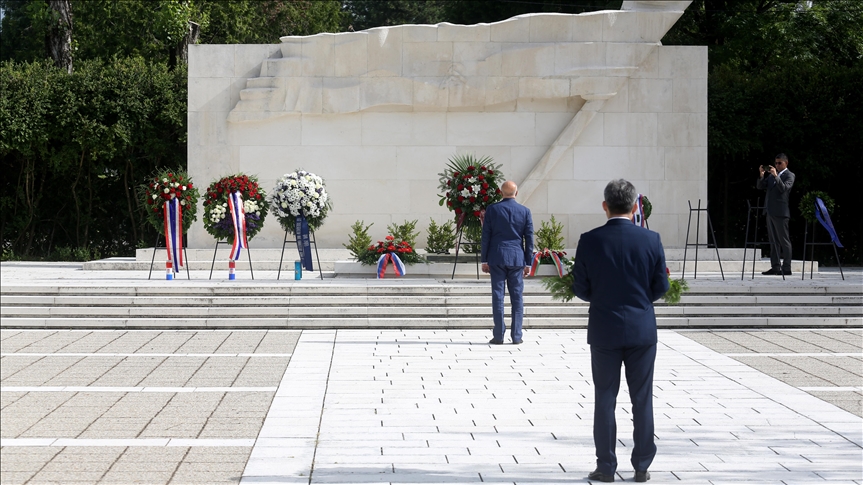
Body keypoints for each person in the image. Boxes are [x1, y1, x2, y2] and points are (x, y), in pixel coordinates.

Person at [571, 179, 669, 483]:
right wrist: (639, 303)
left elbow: (580, 287)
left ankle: (606, 466)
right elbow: (661, 286)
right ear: (634, 206)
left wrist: (603, 299)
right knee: (642, 398)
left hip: (604, 329)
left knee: (605, 397)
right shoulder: (651, 240)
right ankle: (641, 466)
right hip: (641, 329)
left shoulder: (590, 240)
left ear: (605, 206)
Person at [481, 180, 534, 345]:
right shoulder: (525, 211)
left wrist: (484, 259)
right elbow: (529, 238)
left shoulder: (493, 209)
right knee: (517, 298)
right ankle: (517, 336)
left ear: (500, 192)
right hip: (517, 258)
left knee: (498, 297)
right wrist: (528, 262)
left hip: (497, 257)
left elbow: (486, 236)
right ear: (516, 193)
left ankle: (498, 335)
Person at [756, 153, 795, 275]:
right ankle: (775, 266)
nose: (777, 165)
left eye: (780, 163)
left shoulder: (789, 175)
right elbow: (760, 186)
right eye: (776, 163)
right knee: (773, 241)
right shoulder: (772, 176)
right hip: (770, 211)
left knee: (784, 240)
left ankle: (787, 268)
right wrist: (762, 176)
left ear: (786, 163)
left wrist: (776, 176)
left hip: (781, 212)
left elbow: (784, 189)